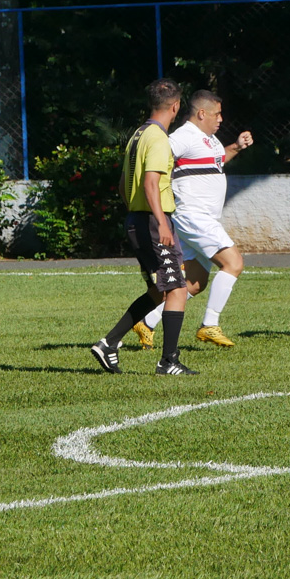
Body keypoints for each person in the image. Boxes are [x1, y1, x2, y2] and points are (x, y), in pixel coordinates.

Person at [91, 79, 199, 376]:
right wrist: (161, 222)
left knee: (157, 290)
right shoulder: (159, 139)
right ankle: (169, 361)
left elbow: (123, 185)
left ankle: (109, 344)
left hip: (138, 220)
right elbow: (151, 183)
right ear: (175, 107)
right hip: (153, 221)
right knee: (177, 288)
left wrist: (135, 216)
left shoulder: (137, 135)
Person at [132, 91, 254, 349]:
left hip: (204, 217)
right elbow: (157, 161)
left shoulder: (210, 140)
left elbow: (215, 161)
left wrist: (236, 147)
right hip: (192, 215)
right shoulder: (182, 137)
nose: (220, 119)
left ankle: (147, 323)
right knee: (233, 263)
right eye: (217, 114)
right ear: (201, 114)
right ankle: (210, 324)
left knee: (194, 283)